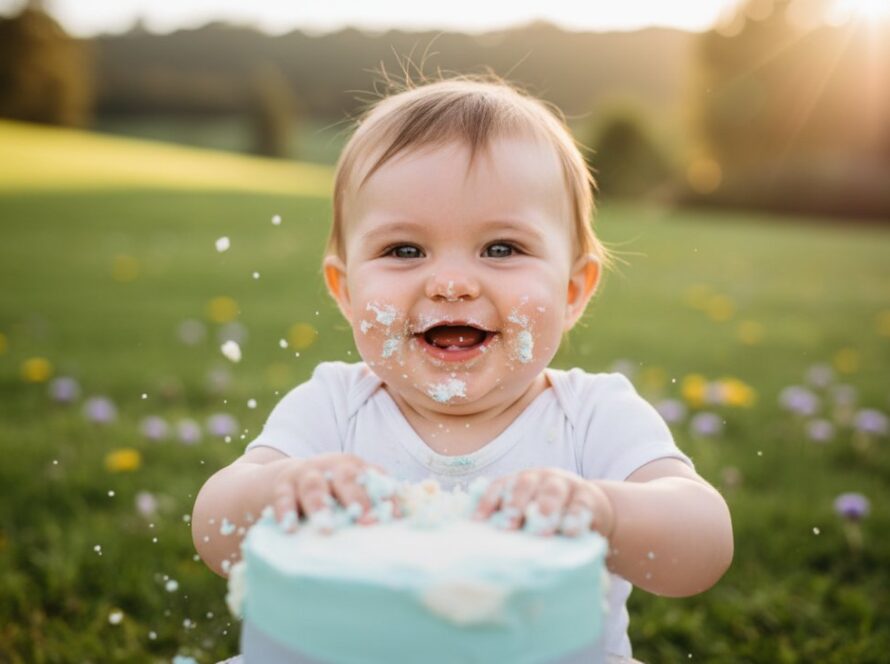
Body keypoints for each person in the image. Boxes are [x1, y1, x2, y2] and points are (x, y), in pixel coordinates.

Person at [193, 73, 733, 662]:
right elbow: (216, 531)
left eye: (501, 249)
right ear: (344, 290)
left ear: (573, 289)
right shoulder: (333, 409)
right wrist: (278, 490)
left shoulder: (593, 417)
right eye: (405, 250)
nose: (450, 283)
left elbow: (703, 544)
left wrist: (604, 511)